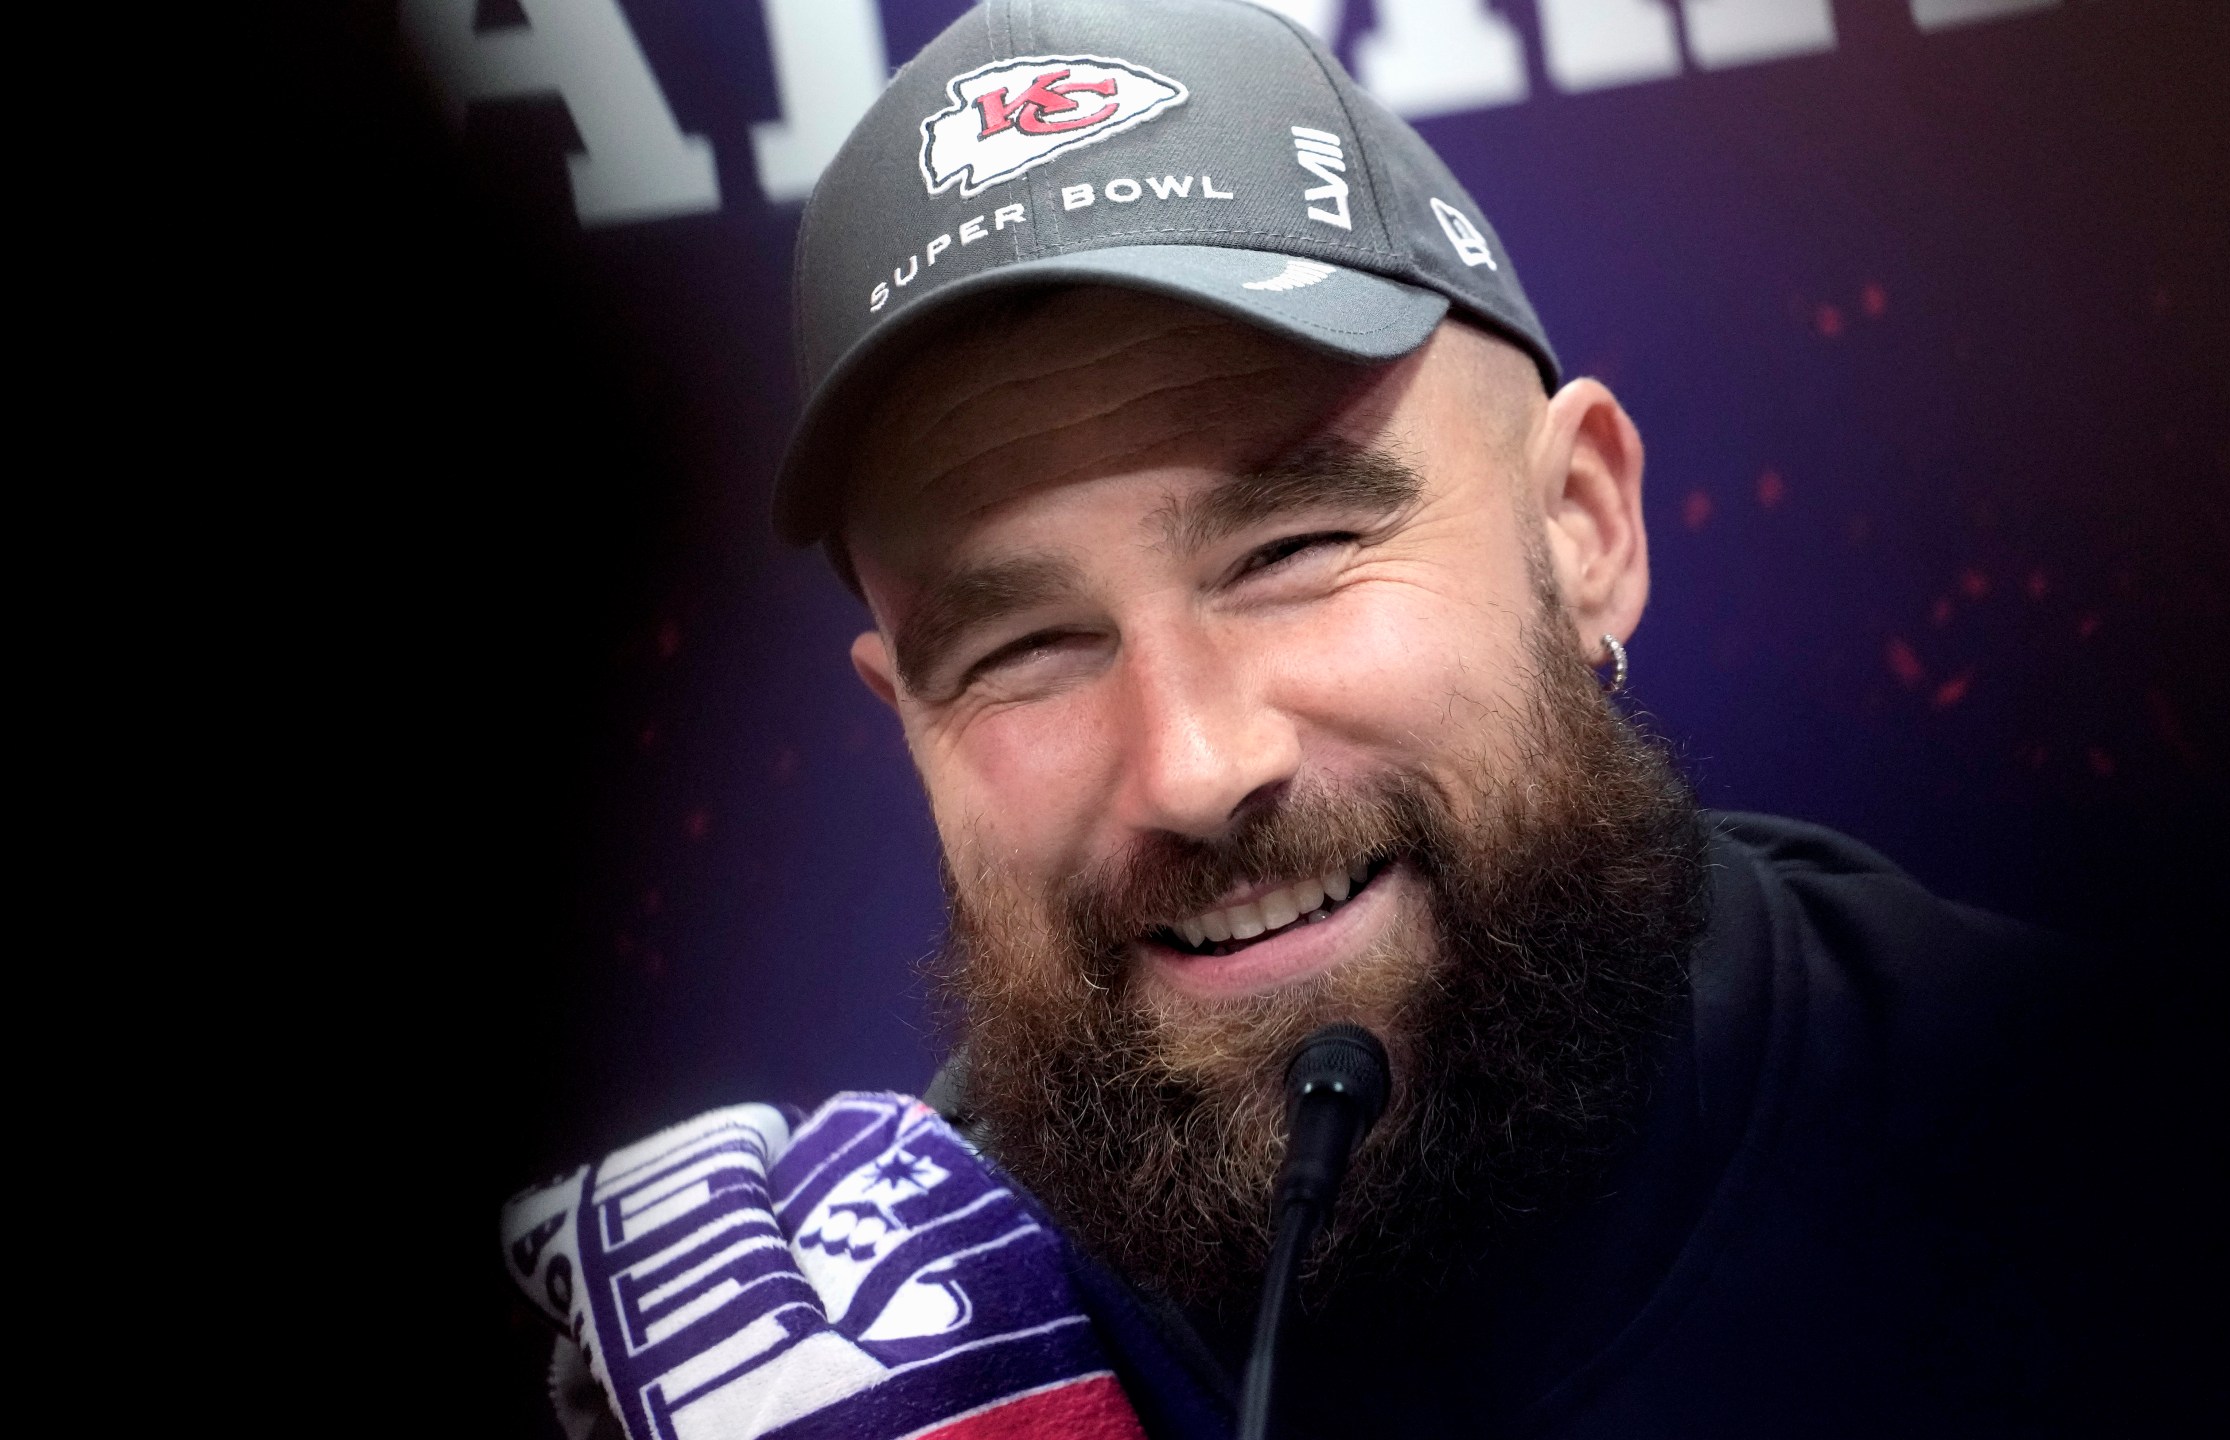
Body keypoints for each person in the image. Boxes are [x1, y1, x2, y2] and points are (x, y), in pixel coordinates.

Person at [511, 2, 2084, 1435]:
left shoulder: (2147, 1188)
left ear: (1584, 527)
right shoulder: (839, 1377)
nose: (1196, 765)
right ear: (905, 717)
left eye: (1292, 554)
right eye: (1026, 646)